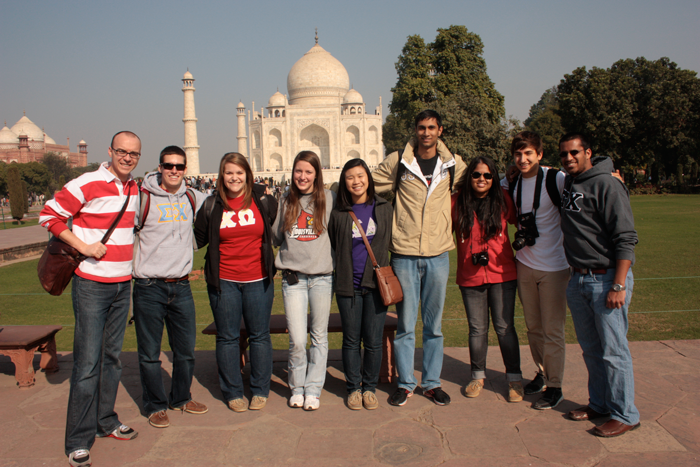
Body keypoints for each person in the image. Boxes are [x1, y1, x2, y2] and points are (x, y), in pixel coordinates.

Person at [39, 131, 141, 467]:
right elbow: (49, 215)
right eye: (122, 152)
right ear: (110, 151)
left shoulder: (133, 188)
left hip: (121, 284)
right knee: (86, 363)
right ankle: (77, 441)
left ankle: (105, 421)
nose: (127, 158)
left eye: (134, 154)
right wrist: (83, 247)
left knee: (112, 358)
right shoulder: (87, 182)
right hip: (92, 285)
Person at [373, 110, 466, 406]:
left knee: (434, 326)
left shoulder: (453, 164)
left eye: (431, 128)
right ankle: (405, 382)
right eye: (421, 128)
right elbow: (370, 183)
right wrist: (393, 191)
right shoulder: (398, 160)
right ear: (415, 130)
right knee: (405, 325)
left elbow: (479, 183)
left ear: (440, 129)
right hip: (404, 253)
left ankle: (431, 382)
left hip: (438, 253)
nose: (426, 133)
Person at [558, 133, 640, 437]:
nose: (568, 158)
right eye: (564, 154)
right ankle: (601, 403)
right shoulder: (570, 181)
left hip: (606, 278)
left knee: (614, 350)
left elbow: (626, 237)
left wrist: (618, 285)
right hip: (578, 278)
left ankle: (625, 413)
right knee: (592, 349)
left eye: (574, 152)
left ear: (588, 152)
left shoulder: (607, 183)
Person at [193, 153, 278, 412]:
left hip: (258, 278)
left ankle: (260, 389)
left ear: (247, 175)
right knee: (228, 337)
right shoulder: (212, 205)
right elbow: (195, 239)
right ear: (222, 175)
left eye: (239, 172)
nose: (234, 177)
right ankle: (232, 392)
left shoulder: (264, 202)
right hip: (225, 280)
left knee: (260, 335)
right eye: (229, 172)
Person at [132, 146, 209, 429]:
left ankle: (181, 398)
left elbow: (221, 205)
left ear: (185, 169)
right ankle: (154, 405)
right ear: (160, 167)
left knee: (185, 349)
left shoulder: (193, 197)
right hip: (149, 286)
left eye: (179, 166)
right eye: (168, 166)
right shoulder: (143, 198)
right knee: (150, 353)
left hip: (181, 286)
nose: (174, 171)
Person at [501, 131, 569, 410]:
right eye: (518, 154)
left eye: (528, 153)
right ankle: (542, 374)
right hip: (525, 263)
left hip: (555, 265)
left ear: (540, 154)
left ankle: (555, 386)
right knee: (534, 328)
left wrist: (611, 178)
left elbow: (583, 190)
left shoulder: (556, 179)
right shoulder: (513, 180)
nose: (523, 159)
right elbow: (488, 185)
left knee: (553, 330)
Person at [452, 156, 523, 402]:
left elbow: (521, 218)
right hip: (470, 276)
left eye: (487, 175)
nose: (481, 179)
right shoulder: (457, 202)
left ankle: (514, 378)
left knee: (504, 328)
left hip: (502, 273)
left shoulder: (503, 199)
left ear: (493, 178)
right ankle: (477, 375)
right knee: (477, 329)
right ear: (469, 176)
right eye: (476, 175)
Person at [272, 151, 335, 411]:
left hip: (322, 278)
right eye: (299, 171)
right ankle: (296, 387)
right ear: (292, 172)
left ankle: (313, 389)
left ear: (317, 175)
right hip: (293, 279)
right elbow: (276, 237)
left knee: (319, 337)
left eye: (309, 172)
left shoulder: (327, 199)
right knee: (297, 339)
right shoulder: (286, 200)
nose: (303, 176)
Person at [328, 158, 393, 410]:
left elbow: (390, 244)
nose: (356, 181)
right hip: (349, 285)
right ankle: (353, 388)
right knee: (352, 340)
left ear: (368, 177)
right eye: (350, 177)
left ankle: (370, 388)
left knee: (374, 340)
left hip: (376, 286)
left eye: (360, 175)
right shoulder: (339, 213)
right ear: (344, 182)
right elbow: (334, 246)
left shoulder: (384, 208)